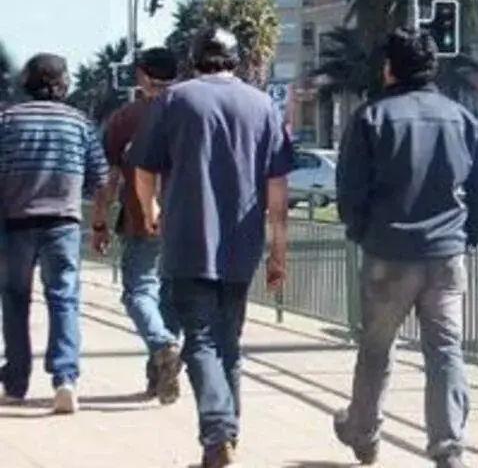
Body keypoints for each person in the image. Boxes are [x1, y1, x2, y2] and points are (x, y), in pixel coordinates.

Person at [128, 28, 292, 468]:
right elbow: (277, 190)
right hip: (242, 245)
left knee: (199, 338)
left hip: (187, 239)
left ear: (195, 59)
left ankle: (218, 432)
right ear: (236, 60)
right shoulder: (263, 107)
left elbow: (143, 170)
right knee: (228, 343)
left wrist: (151, 210)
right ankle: (222, 443)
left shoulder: (174, 101)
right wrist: (278, 252)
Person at [332, 29, 478, 468]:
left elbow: (349, 191)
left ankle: (364, 433)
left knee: (376, 349)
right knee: (445, 351)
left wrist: (361, 231)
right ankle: (447, 448)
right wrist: (470, 233)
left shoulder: (371, 117)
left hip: (388, 251)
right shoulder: (461, 118)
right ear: (433, 68)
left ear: (389, 68)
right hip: (445, 253)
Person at [0, 53, 108, 412]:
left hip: (15, 224)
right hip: (63, 224)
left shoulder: (7, 119)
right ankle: (65, 379)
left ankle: (15, 383)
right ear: (64, 84)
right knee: (64, 300)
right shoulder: (79, 122)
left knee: (15, 301)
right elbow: (99, 177)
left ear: (27, 82)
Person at [92, 46, 183, 403]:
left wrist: (99, 221)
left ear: (143, 76)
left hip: (141, 219)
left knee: (138, 292)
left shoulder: (127, 117)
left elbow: (109, 178)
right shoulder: (191, 111)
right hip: (188, 222)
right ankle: (159, 374)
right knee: (170, 297)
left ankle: (163, 347)